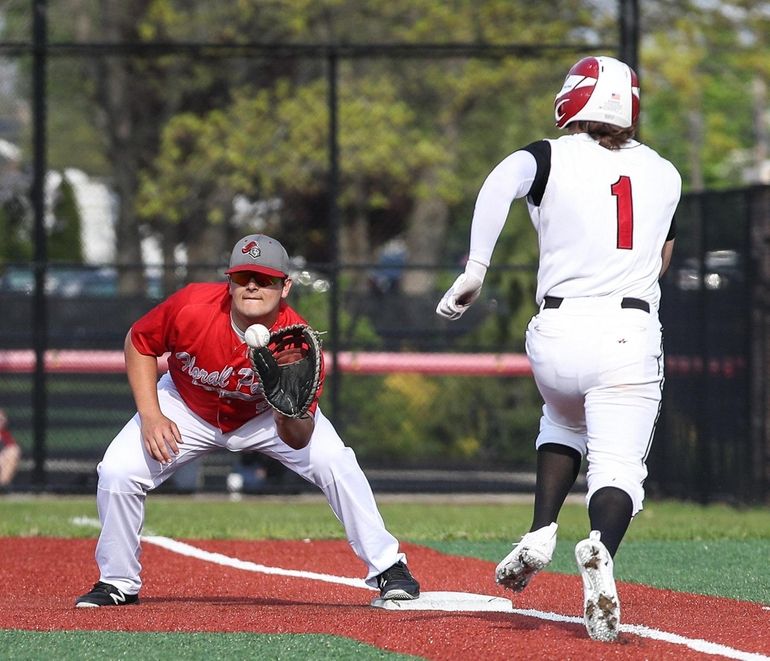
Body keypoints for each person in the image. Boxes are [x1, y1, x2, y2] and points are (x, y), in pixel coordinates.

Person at [436, 56, 681, 642]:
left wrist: (475, 269)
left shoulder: (547, 155)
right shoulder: (666, 172)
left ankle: (541, 529)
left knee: (562, 419)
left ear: (575, 98)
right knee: (619, 467)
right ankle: (599, 549)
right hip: (626, 330)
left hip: (555, 332)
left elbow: (500, 181)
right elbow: (663, 257)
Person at [75, 233, 419, 607]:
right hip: (186, 404)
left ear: (284, 286)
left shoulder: (296, 344)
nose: (252, 285)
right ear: (230, 282)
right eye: (242, 278)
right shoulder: (192, 306)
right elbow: (139, 343)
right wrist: (151, 414)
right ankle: (118, 582)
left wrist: (283, 405)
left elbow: (299, 438)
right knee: (117, 471)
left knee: (335, 461)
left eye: (265, 279)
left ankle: (388, 567)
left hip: (262, 418)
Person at [0, 408, 21, 490]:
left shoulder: (5, 435)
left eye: (2, 419)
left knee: (13, 452)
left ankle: (2, 487)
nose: (2, 421)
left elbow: (13, 449)